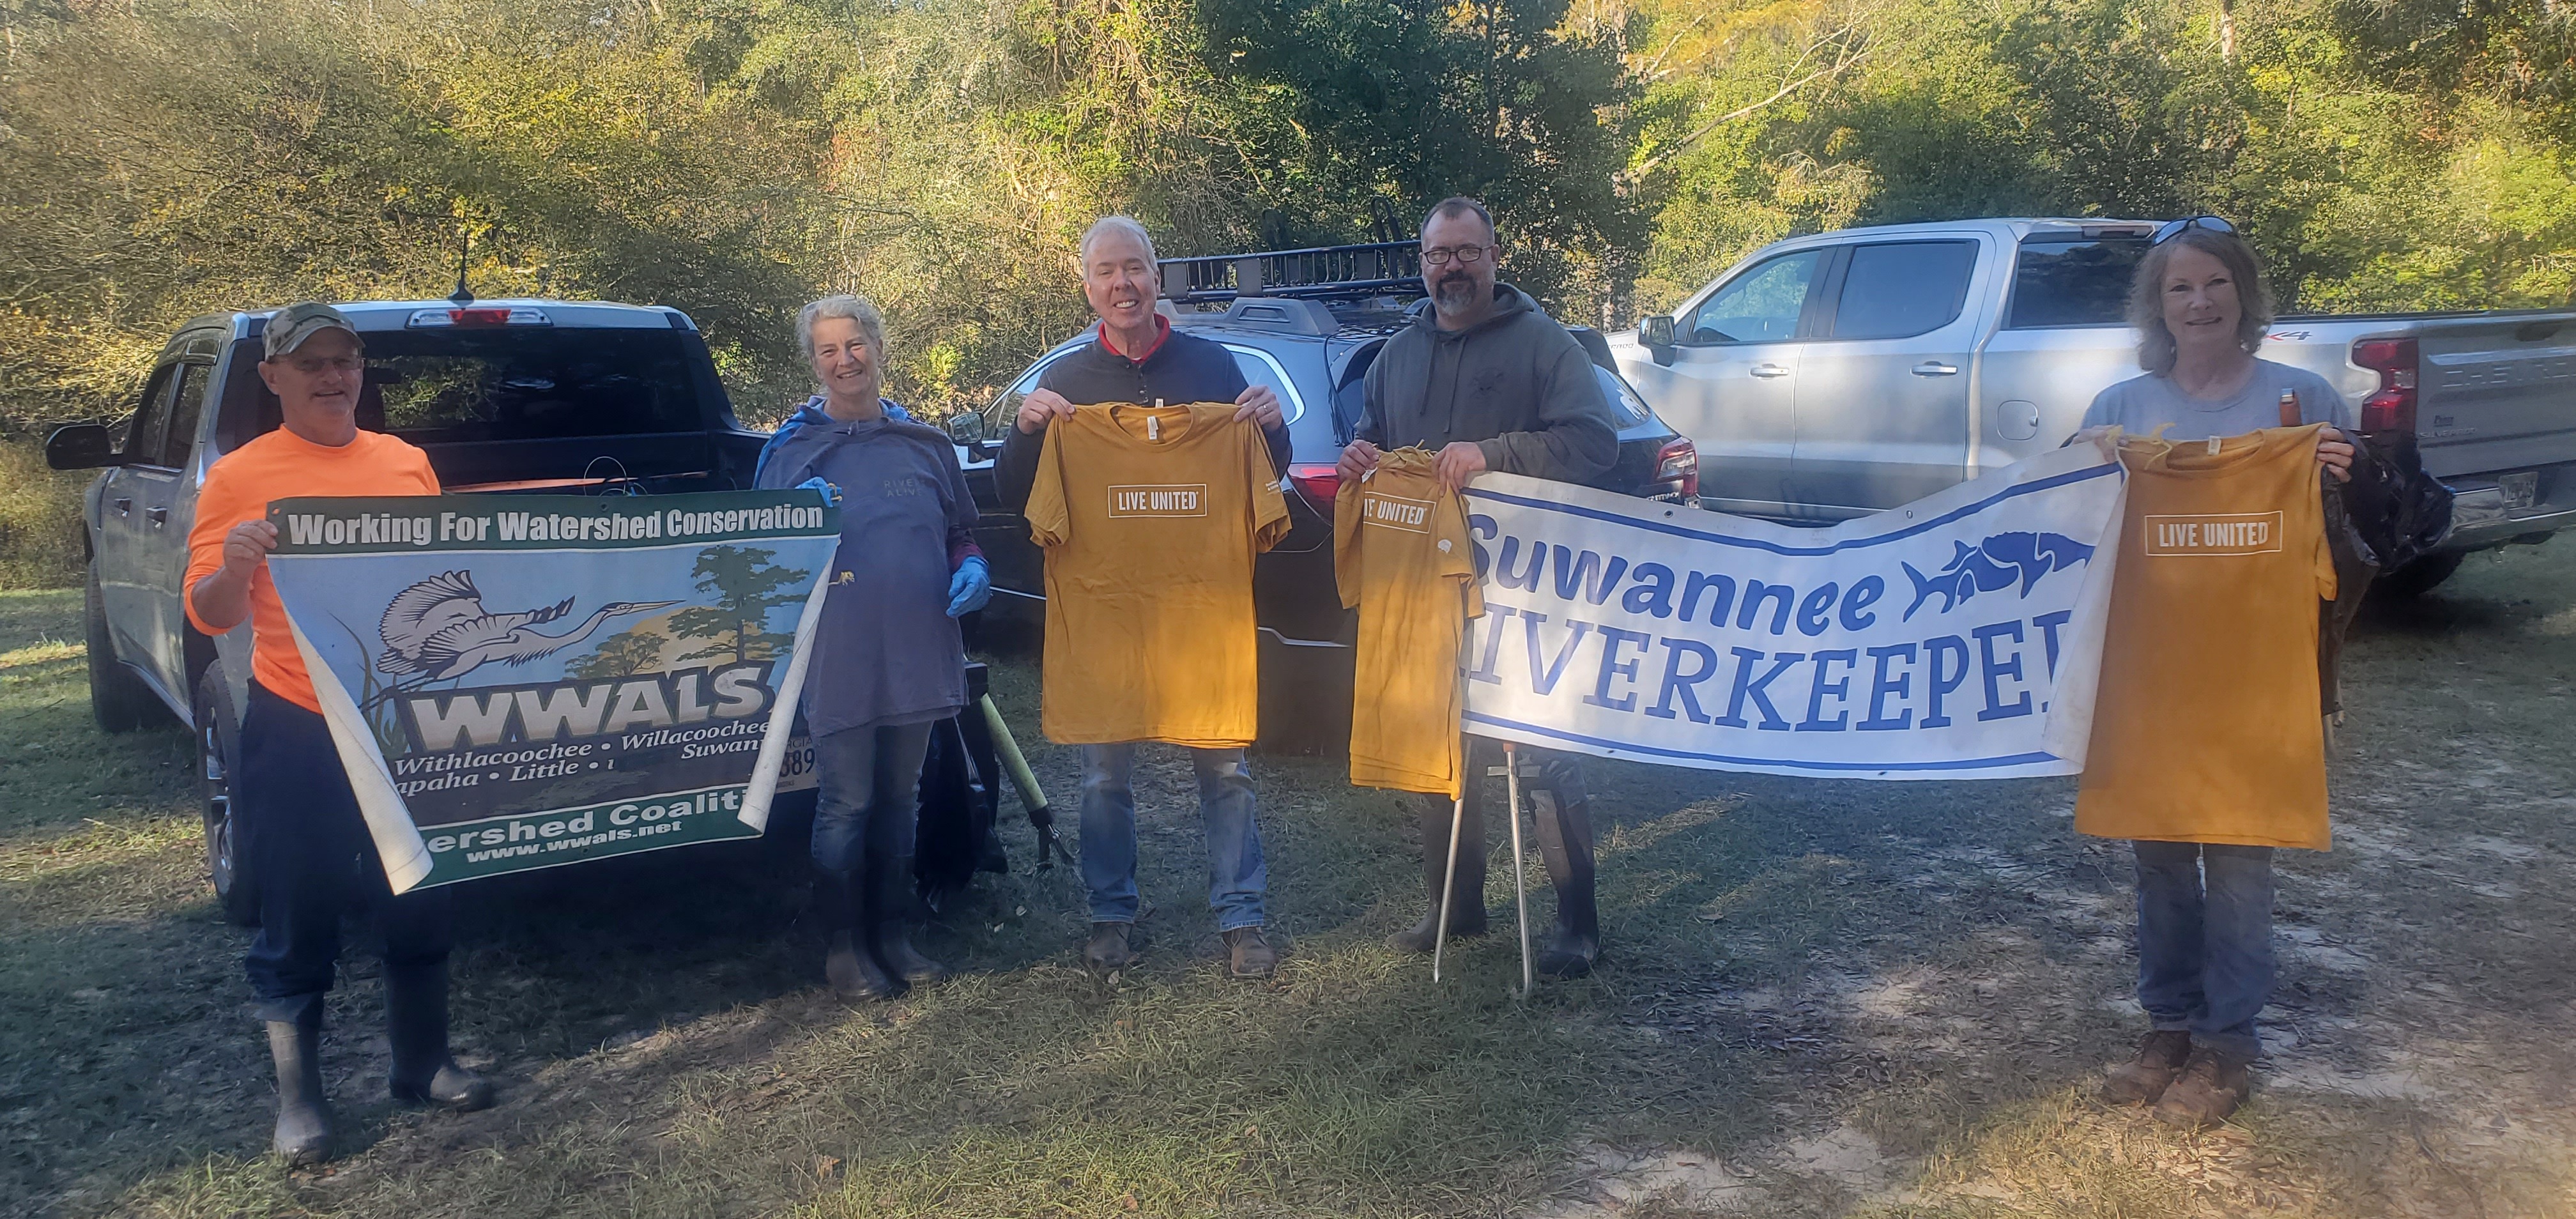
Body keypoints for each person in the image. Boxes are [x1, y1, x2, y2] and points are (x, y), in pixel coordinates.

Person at [185, 303, 493, 1167]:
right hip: (299, 721)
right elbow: (207, 612)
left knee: (420, 889)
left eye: (345, 361)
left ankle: (423, 1064)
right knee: (299, 903)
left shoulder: (405, 463)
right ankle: (301, 1102)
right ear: (274, 377)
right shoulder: (242, 476)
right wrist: (236, 565)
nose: (331, 377)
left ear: (361, 372)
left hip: (403, 722)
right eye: (311, 362)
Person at [2079, 216, 2354, 1126]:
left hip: (2253, 679)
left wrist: (2343, 474)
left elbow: (2363, 539)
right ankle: (2167, 1026)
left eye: (2216, 285)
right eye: (2179, 289)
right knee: (2158, 860)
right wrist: (2081, 471)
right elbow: (2071, 530)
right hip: (2150, 679)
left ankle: (2228, 1045)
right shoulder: (2120, 409)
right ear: (2158, 305)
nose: (2199, 302)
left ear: (2244, 294)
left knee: (2239, 862)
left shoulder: (2300, 400)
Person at [995, 215, 1289, 980]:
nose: (1122, 284)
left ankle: (1242, 916)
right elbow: (1014, 492)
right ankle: (1111, 914)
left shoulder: (1214, 368)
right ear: (1087, 286)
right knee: (1102, 777)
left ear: (1156, 278)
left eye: (1135, 268)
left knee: (1225, 769)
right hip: (1109, 618)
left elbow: (1269, 473)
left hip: (1201, 618)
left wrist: (1270, 425)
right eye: (1106, 272)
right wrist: (1026, 432)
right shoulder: (1064, 385)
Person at [1337, 196, 1621, 980]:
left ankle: (1576, 923)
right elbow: (1373, 436)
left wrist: (1493, 452)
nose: (1452, 267)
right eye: (1438, 255)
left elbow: (1596, 444)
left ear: (1496, 256)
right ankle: (1456, 907)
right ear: (1422, 264)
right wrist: (1362, 456)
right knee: (1440, 747)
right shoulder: (1395, 355)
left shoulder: (1545, 344)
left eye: (1467, 252)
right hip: (1427, 589)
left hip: (1530, 593)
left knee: (1541, 756)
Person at [757, 295, 991, 1000]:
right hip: (840, 652)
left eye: (855, 344)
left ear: (879, 347)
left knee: (903, 797)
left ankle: (894, 934)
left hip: (917, 644)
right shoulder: (790, 452)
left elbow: (961, 531)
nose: (844, 360)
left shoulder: (923, 445)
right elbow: (758, 556)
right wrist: (798, 516)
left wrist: (972, 568)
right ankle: (843, 948)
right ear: (814, 362)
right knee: (845, 803)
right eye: (828, 350)